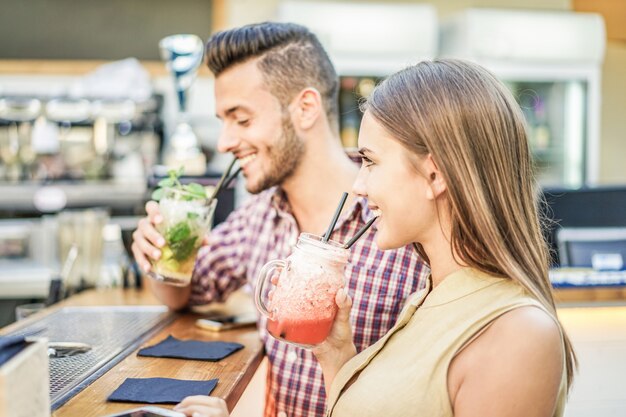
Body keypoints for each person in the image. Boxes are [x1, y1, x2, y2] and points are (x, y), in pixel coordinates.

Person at [173, 59, 577, 417]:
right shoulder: (432, 295)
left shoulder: (519, 336)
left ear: (435, 175)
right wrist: (336, 356)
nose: (359, 186)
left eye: (369, 161)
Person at [131, 22, 428, 417]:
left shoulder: (400, 213)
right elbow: (188, 289)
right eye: (223, 121)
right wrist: (160, 254)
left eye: (241, 119)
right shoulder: (260, 214)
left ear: (305, 108)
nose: (224, 142)